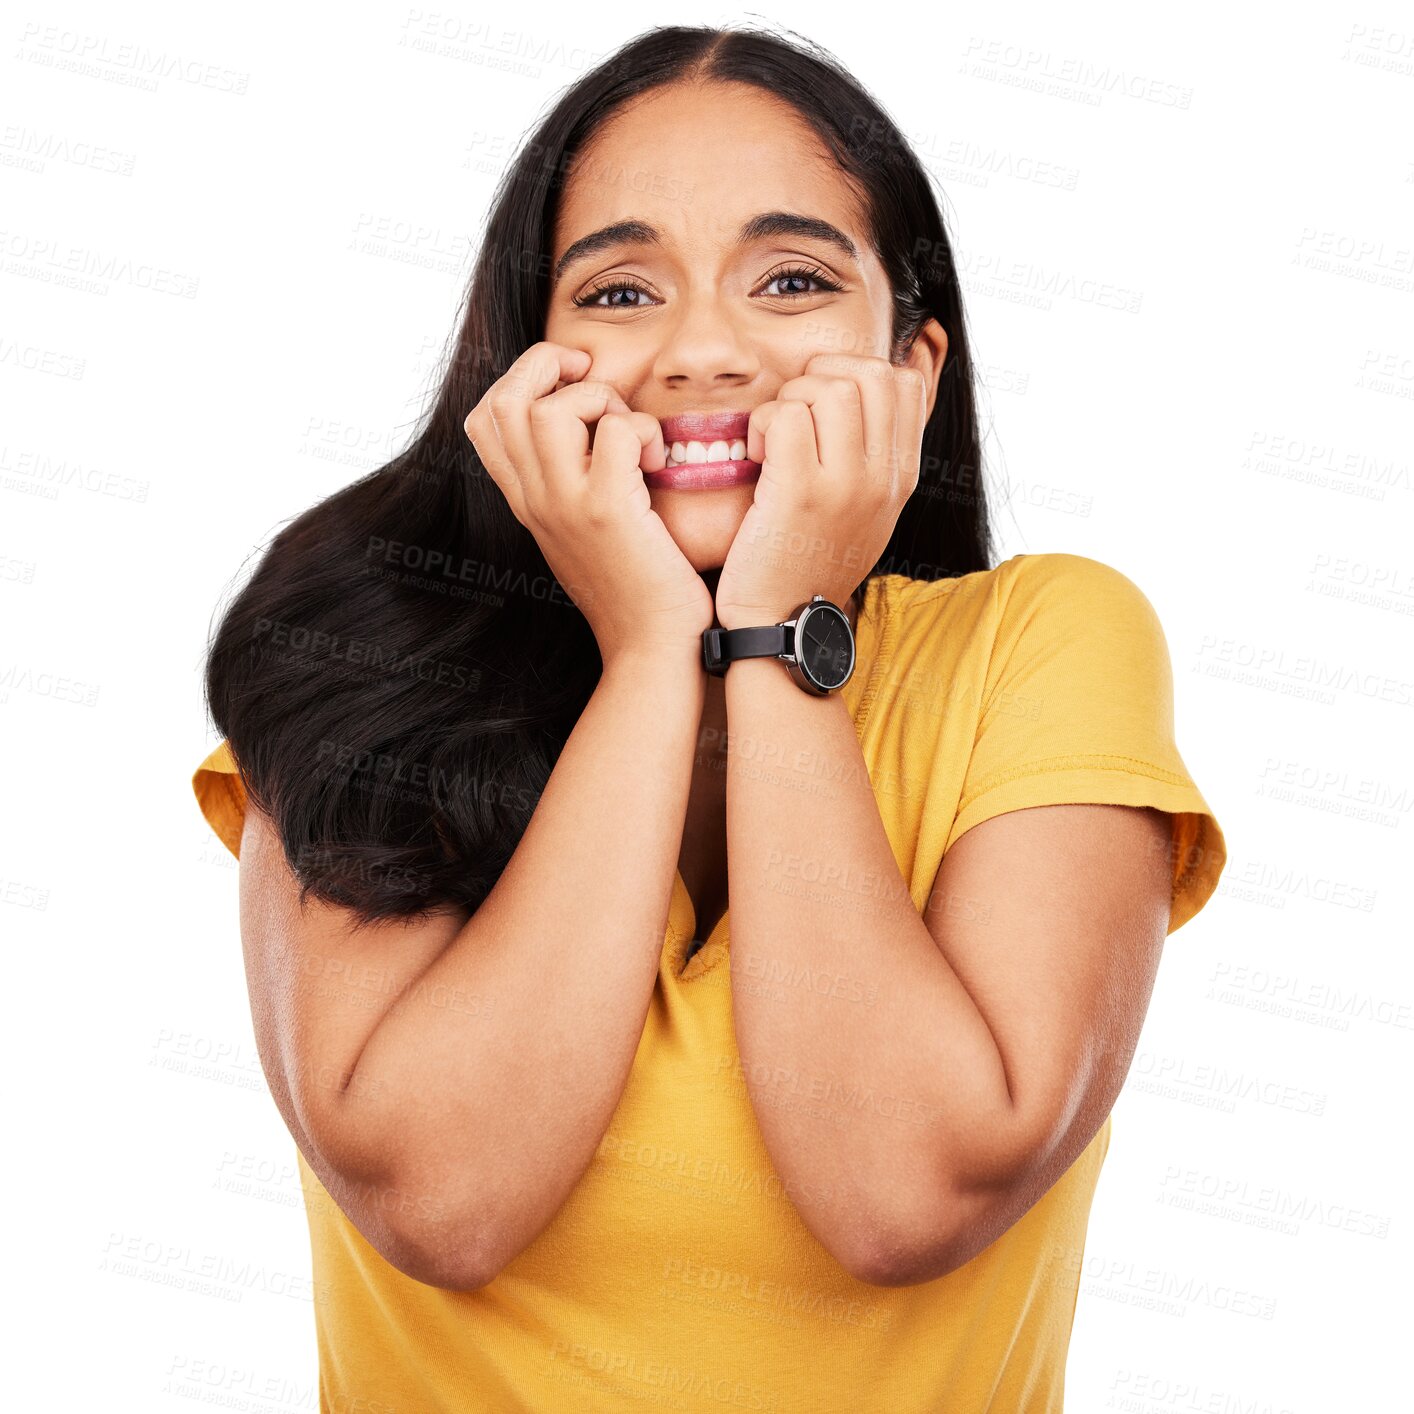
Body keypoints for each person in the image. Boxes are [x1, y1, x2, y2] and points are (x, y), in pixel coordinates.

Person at [192, 24, 1226, 1412]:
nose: (700, 353)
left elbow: (903, 1193)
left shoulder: (1044, 646)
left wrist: (772, 625)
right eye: (618, 291)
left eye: (791, 279)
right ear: (522, 360)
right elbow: (441, 1201)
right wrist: (645, 653)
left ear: (912, 367)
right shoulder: (366, 661)